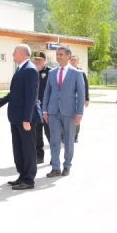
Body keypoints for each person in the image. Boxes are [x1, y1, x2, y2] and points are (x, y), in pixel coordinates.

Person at [0, 44, 42, 190]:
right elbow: (15, 94)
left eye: (14, 53)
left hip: (25, 118)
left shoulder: (30, 70)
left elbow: (31, 97)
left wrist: (27, 119)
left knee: (28, 149)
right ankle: (22, 176)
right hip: (16, 117)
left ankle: (29, 179)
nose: (12, 55)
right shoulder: (21, 69)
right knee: (19, 148)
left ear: (23, 54)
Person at [43, 47, 86, 176]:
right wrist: (45, 110)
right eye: (57, 54)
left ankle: (67, 165)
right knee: (54, 140)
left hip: (70, 112)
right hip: (53, 111)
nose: (58, 57)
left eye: (61, 54)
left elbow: (81, 94)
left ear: (68, 56)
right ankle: (55, 168)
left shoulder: (77, 73)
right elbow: (47, 93)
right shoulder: (52, 73)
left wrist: (79, 113)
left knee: (68, 141)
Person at [32, 51, 51, 164]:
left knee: (50, 133)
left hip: (47, 108)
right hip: (35, 108)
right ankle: (39, 156)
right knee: (37, 134)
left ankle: (55, 156)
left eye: (40, 59)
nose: (37, 61)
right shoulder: (31, 72)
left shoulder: (50, 72)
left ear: (45, 61)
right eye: (36, 59)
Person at [70, 55, 90, 143]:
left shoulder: (81, 73)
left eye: (75, 60)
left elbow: (85, 86)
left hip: (78, 99)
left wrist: (86, 98)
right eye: (72, 60)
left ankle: (75, 135)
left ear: (78, 62)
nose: (73, 61)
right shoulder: (67, 72)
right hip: (68, 99)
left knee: (76, 117)